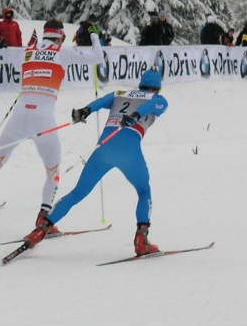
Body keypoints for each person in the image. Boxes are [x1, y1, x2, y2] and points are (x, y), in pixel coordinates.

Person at [0, 19, 104, 227]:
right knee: (52, 171)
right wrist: (94, 34)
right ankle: (43, 218)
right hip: (43, 119)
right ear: (60, 35)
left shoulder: (29, 50)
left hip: (19, 116)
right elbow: (98, 57)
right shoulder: (62, 52)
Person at [19, 68, 169, 257]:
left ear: (141, 84)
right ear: (158, 88)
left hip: (103, 149)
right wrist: (137, 116)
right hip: (129, 150)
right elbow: (154, 105)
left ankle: (39, 231)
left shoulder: (119, 93)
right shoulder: (159, 99)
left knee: (77, 193)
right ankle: (141, 241)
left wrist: (85, 111)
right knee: (144, 191)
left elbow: (99, 103)